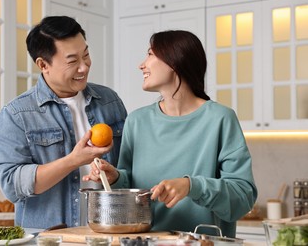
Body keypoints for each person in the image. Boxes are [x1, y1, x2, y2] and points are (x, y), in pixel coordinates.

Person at [83, 30, 257, 238]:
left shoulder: (220, 119)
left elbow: (242, 198)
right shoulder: (137, 121)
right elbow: (132, 190)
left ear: (175, 61)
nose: (142, 64)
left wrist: (192, 186)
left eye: (150, 54)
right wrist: (115, 177)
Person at [0, 16, 127, 229]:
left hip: (107, 235)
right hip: (48, 239)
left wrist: (116, 175)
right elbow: (11, 185)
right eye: (73, 61)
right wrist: (73, 160)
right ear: (43, 64)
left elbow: (129, 169)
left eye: (86, 55)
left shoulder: (109, 101)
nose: (84, 67)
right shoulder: (17, 114)